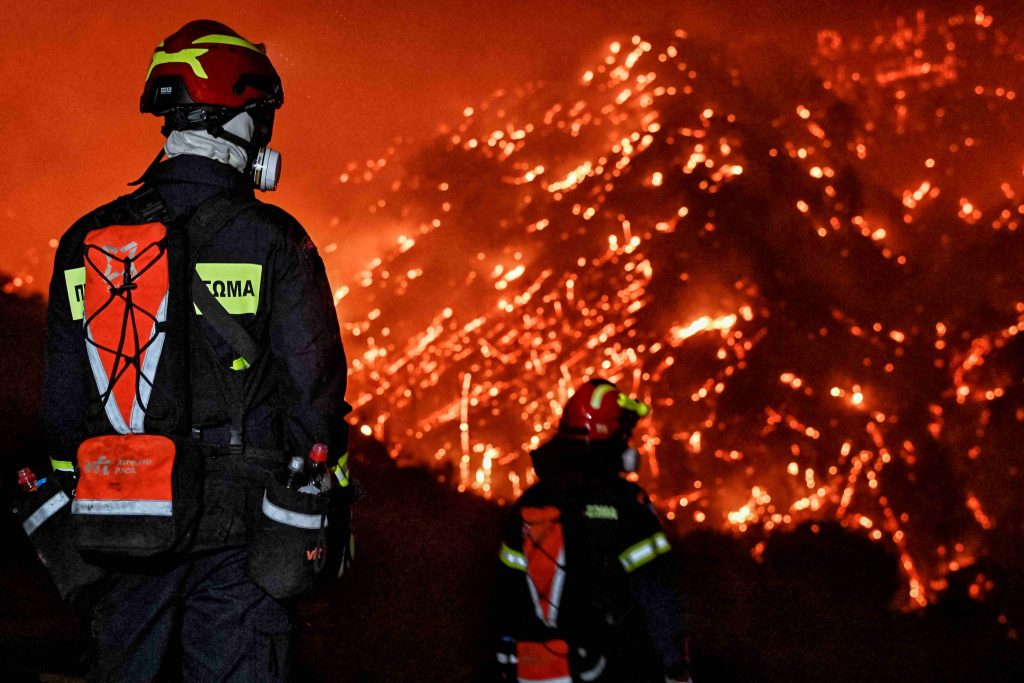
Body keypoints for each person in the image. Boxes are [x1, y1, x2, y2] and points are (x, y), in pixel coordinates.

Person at [40, 20, 350, 681]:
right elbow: (315, 389)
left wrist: (87, 491)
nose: (264, 132)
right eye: (259, 115)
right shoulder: (274, 240)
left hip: (121, 520)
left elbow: (63, 403)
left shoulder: (86, 242)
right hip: (239, 540)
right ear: (233, 116)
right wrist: (312, 501)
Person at [493, 379, 692, 683]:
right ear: (608, 434)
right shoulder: (626, 504)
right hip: (605, 669)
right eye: (624, 432)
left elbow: (506, 593)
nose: (628, 441)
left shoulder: (529, 504)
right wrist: (676, 669)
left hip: (536, 672)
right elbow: (657, 593)